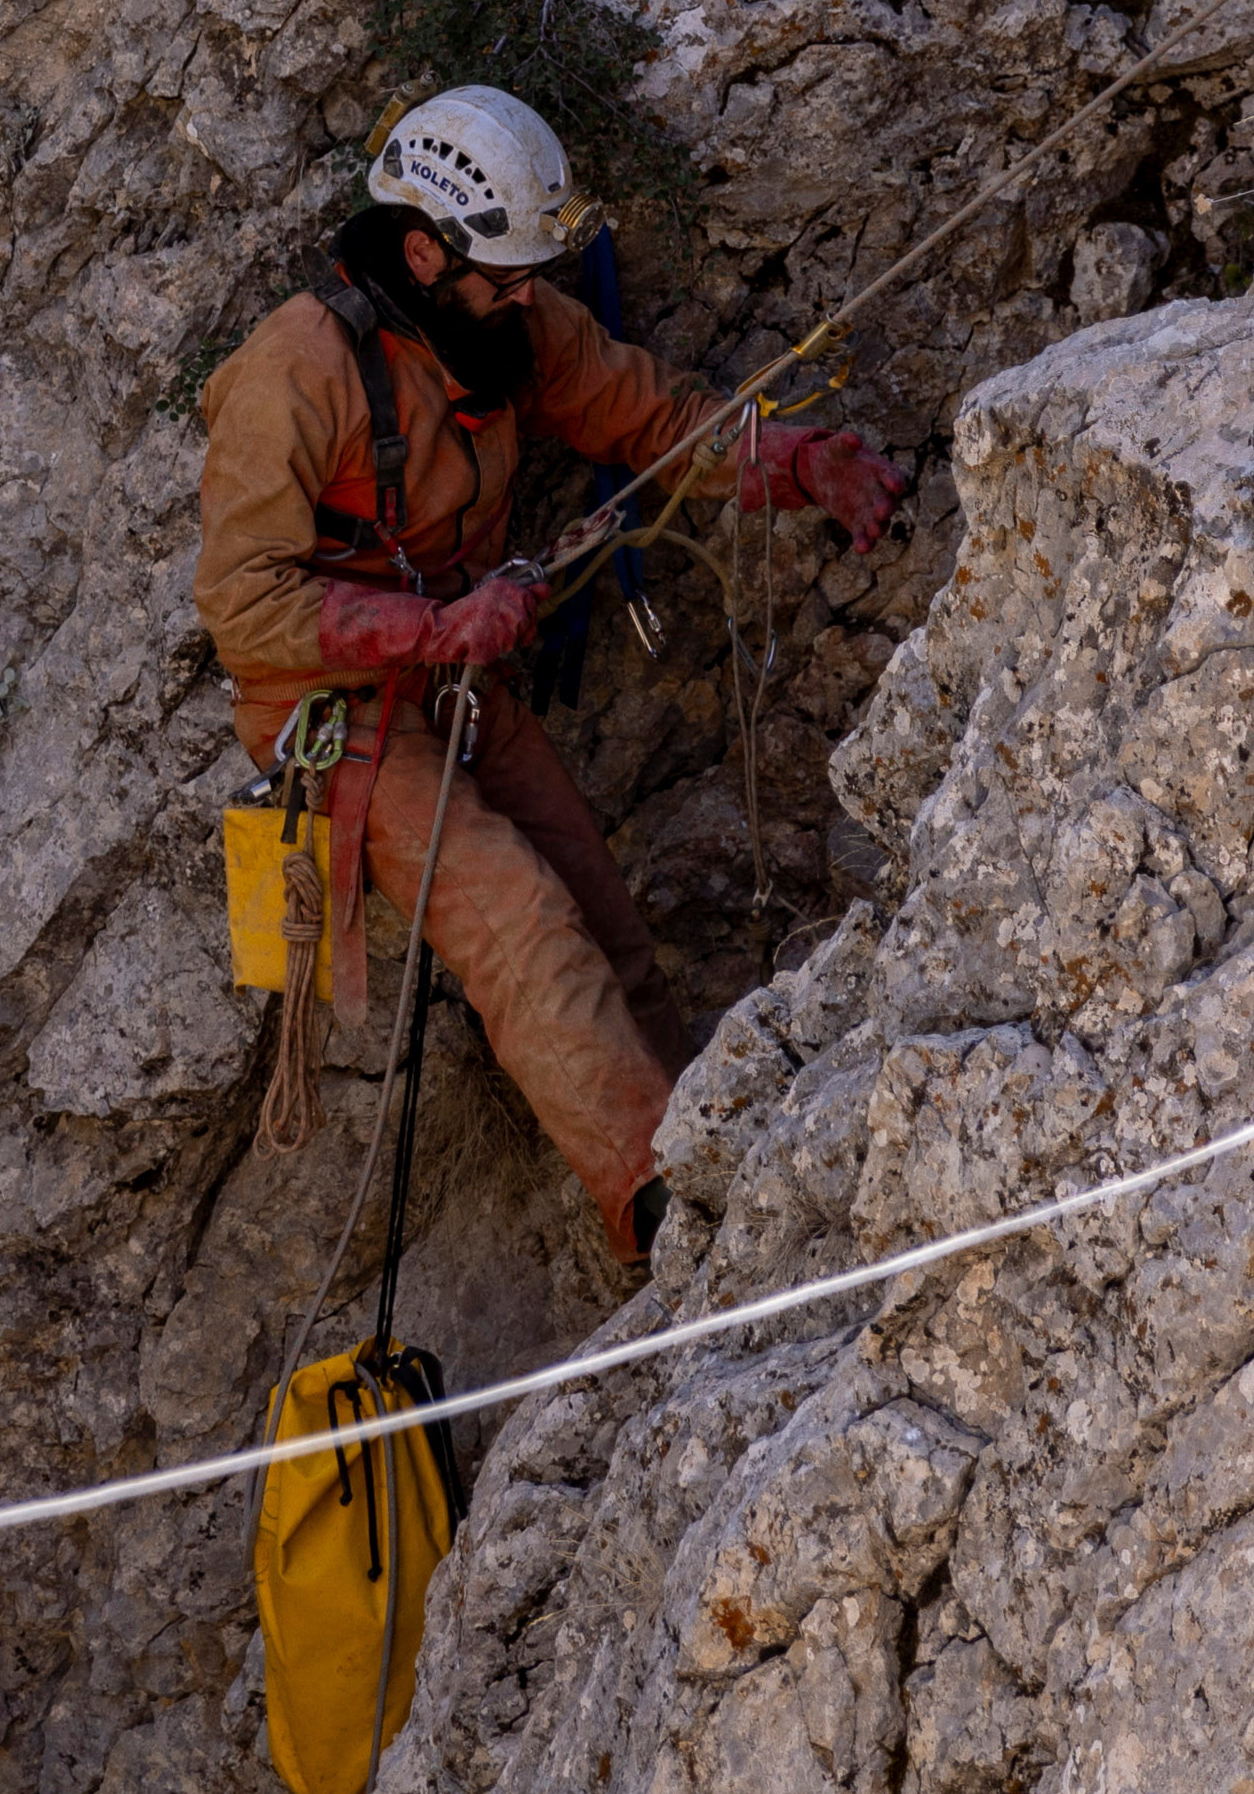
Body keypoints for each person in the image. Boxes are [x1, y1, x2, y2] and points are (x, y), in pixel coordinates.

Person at [193, 85, 908, 1263]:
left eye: (532, 276)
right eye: (505, 277)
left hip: (454, 679)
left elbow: (651, 420)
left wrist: (795, 462)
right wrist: (436, 627)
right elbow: (242, 607)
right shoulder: (292, 373)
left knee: (603, 917)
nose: (527, 297)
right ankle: (663, 1216)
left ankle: (710, 1153)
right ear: (422, 253)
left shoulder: (505, 327)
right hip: (334, 712)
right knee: (522, 926)